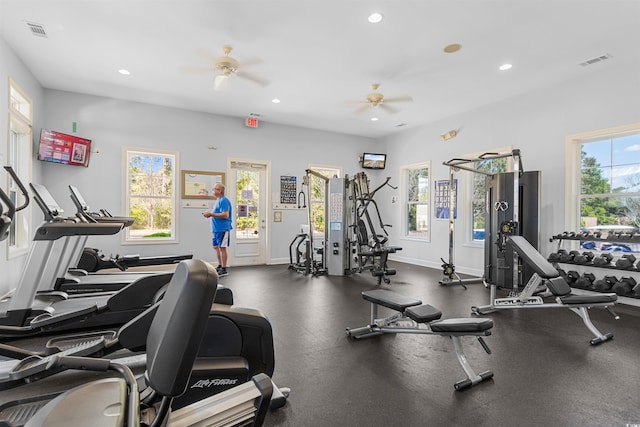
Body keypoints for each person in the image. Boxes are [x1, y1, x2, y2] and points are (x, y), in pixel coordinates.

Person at [202, 184, 232, 277]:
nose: (212, 190)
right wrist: (209, 214)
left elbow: (225, 214)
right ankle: (219, 266)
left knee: (222, 248)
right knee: (216, 247)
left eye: (214, 189)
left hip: (222, 228)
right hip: (216, 229)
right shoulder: (218, 201)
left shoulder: (224, 200)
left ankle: (224, 269)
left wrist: (211, 214)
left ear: (219, 191)